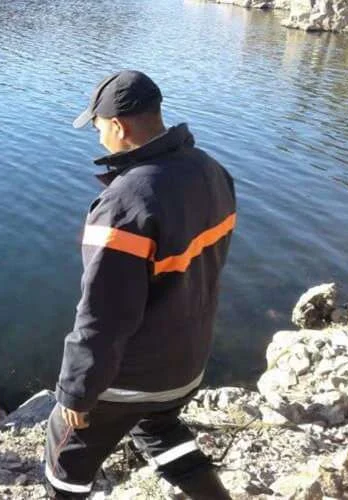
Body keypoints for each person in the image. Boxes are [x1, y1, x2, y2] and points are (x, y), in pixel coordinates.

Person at [44, 71, 236, 499]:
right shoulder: (212, 171)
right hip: (186, 367)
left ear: (118, 126)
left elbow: (103, 314)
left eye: (98, 129)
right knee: (159, 428)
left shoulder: (125, 204)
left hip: (134, 377)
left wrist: (76, 391)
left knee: (64, 456)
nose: (98, 141)